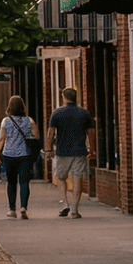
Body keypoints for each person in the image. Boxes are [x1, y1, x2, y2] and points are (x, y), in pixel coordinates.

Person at [45, 87, 93, 218]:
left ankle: (65, 203)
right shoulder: (84, 113)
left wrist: (48, 149)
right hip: (79, 151)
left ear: (64, 97)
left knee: (60, 177)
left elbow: (50, 133)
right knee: (77, 178)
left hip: (62, 151)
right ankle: (74, 210)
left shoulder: (57, 113)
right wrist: (92, 149)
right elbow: (90, 133)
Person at [0, 94, 39, 219]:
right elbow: (36, 136)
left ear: (9, 107)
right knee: (24, 182)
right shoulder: (29, 120)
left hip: (9, 155)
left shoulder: (6, 121)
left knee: (11, 182)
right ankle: (23, 207)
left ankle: (11, 209)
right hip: (25, 155)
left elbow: (1, 139)